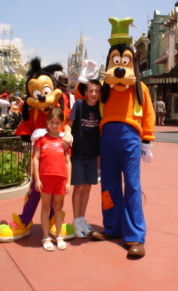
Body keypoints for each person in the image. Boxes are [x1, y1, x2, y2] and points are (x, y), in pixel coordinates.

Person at [67, 79, 101, 238]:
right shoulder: (79, 105)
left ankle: (81, 218)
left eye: (97, 91)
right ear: (86, 92)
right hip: (78, 153)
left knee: (88, 187)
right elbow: (69, 123)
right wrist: (67, 133)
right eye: (91, 91)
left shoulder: (100, 109)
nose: (94, 94)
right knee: (79, 187)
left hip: (92, 154)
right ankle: (75, 219)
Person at [33, 107, 71, 251]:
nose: (54, 125)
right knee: (45, 207)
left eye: (57, 122)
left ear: (61, 123)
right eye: (52, 122)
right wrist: (37, 179)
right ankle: (45, 236)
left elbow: (68, 162)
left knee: (58, 208)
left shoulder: (64, 140)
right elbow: (36, 159)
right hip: (45, 178)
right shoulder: (41, 139)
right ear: (47, 122)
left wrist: (68, 181)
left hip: (61, 179)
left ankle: (59, 235)